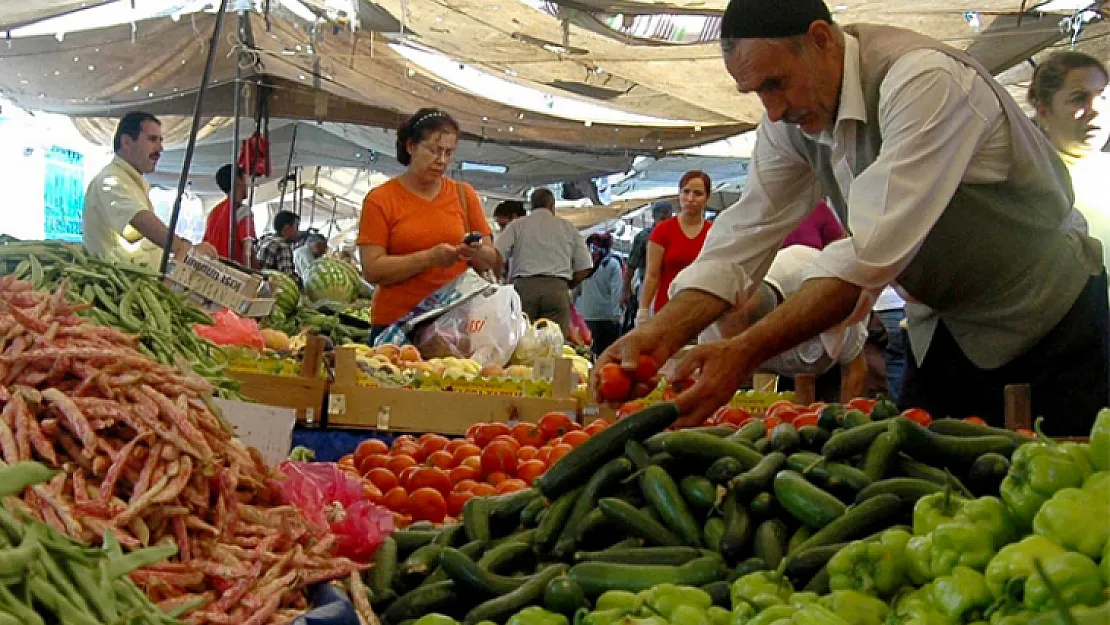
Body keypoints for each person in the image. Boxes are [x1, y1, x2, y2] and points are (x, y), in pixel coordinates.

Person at [600, 0, 1107, 435]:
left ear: (820, 40)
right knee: (938, 491)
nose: (773, 110)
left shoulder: (925, 80)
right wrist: (661, 332)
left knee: (1067, 491)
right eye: (756, 91)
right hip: (946, 329)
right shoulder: (788, 119)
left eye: (776, 84)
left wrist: (745, 350)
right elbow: (741, 237)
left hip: (1050, 319)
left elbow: (865, 254)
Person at [357, 108, 498, 339]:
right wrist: (429, 259)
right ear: (411, 147)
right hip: (396, 325)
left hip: (453, 326)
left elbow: (490, 258)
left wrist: (474, 251)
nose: (441, 160)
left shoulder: (464, 195)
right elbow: (372, 269)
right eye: (433, 150)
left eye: (448, 153)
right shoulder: (381, 199)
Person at [702, 245, 868, 402]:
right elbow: (707, 379)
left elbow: (854, 370)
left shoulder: (827, 295)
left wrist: (846, 421)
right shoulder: (716, 313)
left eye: (747, 344)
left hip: (831, 367)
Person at [82, 111, 217, 266]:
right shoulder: (110, 180)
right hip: (119, 286)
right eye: (152, 139)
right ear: (126, 142)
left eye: (160, 141)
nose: (160, 149)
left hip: (142, 281)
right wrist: (184, 248)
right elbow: (140, 219)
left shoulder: (131, 182)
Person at [1029, 51, 1109, 282]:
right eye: (1079, 98)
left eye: (1103, 96)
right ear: (1044, 112)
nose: (1095, 109)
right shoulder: (1037, 185)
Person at [496, 188, 593, 336]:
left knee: (522, 341)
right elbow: (585, 266)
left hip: (524, 288)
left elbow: (496, 253)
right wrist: (568, 284)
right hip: (556, 289)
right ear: (552, 205)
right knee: (554, 343)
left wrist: (499, 279)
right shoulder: (568, 227)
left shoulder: (517, 225)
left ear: (531, 205)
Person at [637, 171, 713, 326]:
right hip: (666, 311)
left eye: (698, 194)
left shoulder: (714, 232)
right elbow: (652, 275)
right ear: (679, 194)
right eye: (686, 192)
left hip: (702, 313)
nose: (690, 198)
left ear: (707, 198)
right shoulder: (662, 231)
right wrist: (643, 310)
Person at [622, 201, 674, 319]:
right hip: (649, 288)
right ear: (654, 217)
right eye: (662, 218)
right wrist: (625, 290)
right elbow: (631, 266)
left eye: (668, 218)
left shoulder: (675, 235)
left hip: (671, 287)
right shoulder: (644, 237)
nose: (665, 222)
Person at [576, 232, 624, 356]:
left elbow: (576, 290)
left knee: (588, 354)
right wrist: (617, 315)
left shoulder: (585, 265)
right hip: (607, 319)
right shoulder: (613, 264)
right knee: (606, 356)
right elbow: (616, 292)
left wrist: (575, 312)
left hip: (587, 317)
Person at [202, 164, 256, 265]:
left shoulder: (214, 213)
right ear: (238, 180)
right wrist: (252, 271)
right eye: (244, 179)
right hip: (234, 272)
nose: (247, 184)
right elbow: (247, 251)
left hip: (215, 270)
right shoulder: (243, 211)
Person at [257, 211, 300, 279]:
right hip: (274, 286)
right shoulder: (282, 246)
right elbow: (288, 277)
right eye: (296, 227)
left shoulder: (265, 240)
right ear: (287, 228)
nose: (298, 232)